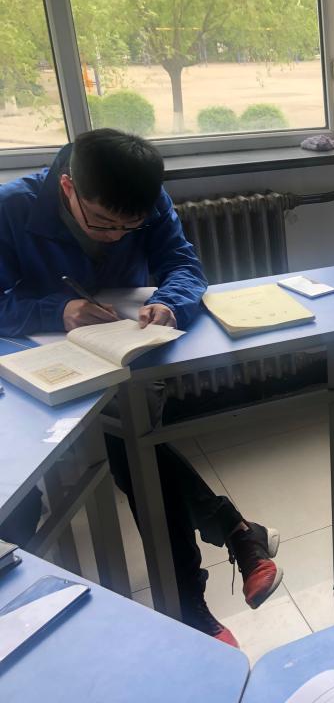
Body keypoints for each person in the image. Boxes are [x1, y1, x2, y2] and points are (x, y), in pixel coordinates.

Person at [0, 128, 282, 646]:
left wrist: (170, 302)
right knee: (137, 452)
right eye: (102, 223)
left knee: (137, 452)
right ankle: (229, 539)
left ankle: (189, 601)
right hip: (42, 368)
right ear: (67, 187)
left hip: (122, 352)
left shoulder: (148, 202)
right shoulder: (12, 207)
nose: (114, 237)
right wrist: (57, 310)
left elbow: (184, 265)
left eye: (128, 227)